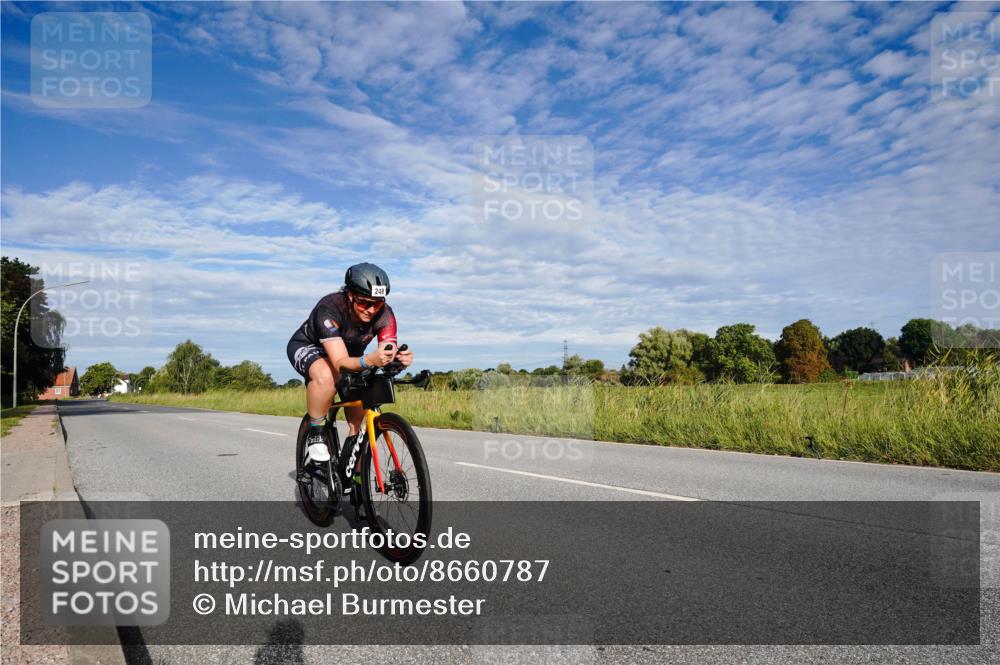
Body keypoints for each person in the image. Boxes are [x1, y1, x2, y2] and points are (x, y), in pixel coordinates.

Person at [286, 262, 412, 464]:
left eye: (377, 303)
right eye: (364, 303)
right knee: (328, 376)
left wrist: (397, 360)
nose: (371, 310)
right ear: (350, 295)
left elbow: (385, 351)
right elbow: (340, 363)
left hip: (351, 356)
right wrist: (370, 359)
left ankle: (354, 478)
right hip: (311, 348)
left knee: (361, 422)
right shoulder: (329, 308)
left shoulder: (385, 314)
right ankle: (316, 431)